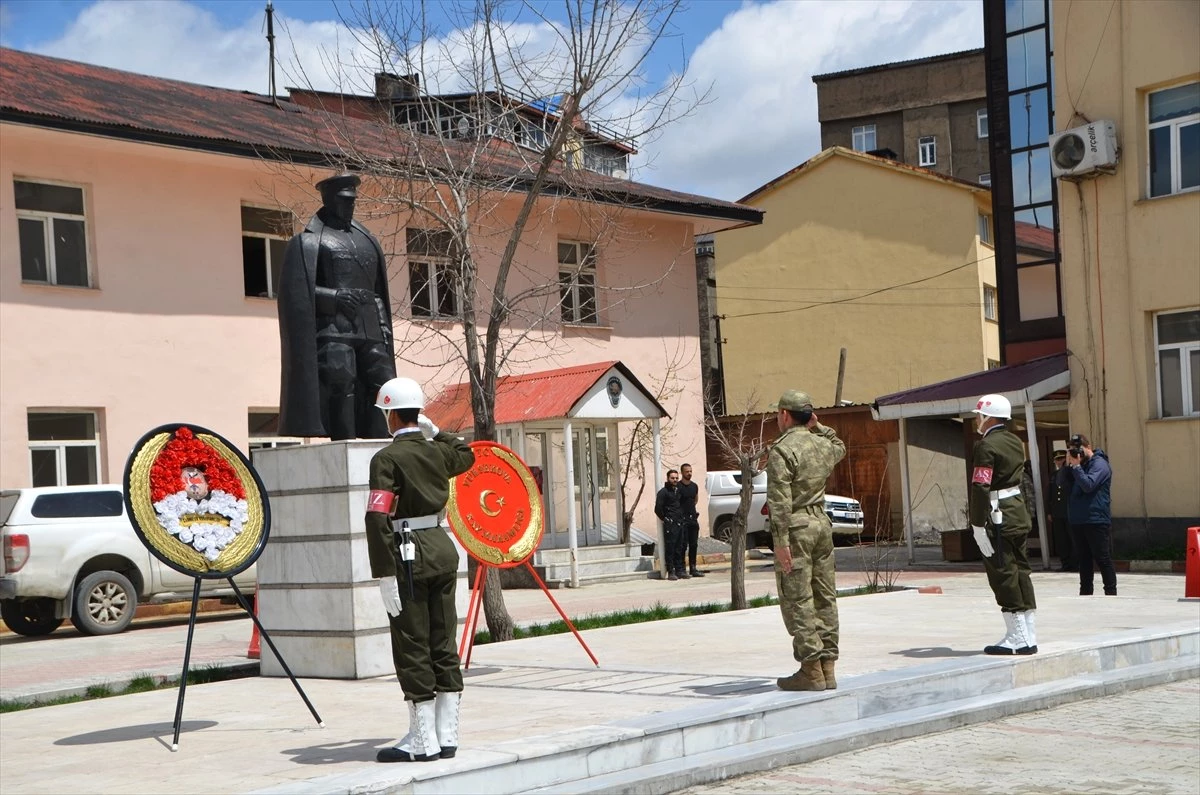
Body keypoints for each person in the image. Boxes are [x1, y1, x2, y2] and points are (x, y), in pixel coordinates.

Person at [367, 377, 475, 763]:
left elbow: (377, 517)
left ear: (391, 415)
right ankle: (447, 738)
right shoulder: (436, 452)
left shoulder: (386, 459)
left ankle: (422, 742)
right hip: (443, 550)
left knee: (413, 645)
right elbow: (467, 456)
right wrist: (440, 432)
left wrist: (383, 573)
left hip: (408, 556)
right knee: (444, 641)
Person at [277, 172, 397, 441]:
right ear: (329, 200)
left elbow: (376, 292)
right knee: (341, 380)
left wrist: (383, 325)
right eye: (344, 200)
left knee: (385, 382)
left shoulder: (367, 241)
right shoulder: (308, 241)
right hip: (334, 328)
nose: (350, 205)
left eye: (353, 201)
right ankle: (345, 442)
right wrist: (334, 297)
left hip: (370, 329)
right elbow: (296, 294)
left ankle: (380, 439)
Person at [766, 390, 846, 692]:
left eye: (778, 413)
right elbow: (839, 445)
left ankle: (811, 671)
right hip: (822, 526)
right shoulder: (821, 445)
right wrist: (819, 426)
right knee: (825, 596)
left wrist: (781, 542)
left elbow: (779, 502)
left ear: (785, 414)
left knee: (798, 598)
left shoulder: (782, 450)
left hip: (797, 528)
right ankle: (828, 668)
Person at [969, 394, 1037, 656]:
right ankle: (1029, 634)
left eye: (979, 415)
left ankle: (1017, 638)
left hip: (998, 518)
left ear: (988, 416)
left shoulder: (986, 446)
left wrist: (976, 524)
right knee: (1021, 571)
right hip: (1017, 513)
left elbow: (980, 487)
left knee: (1003, 573)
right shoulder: (1014, 441)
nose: (977, 419)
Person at [1058, 433, 1116, 596]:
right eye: (1073, 450)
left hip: (1096, 519)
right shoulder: (1077, 465)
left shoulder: (1100, 464)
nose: (1077, 453)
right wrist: (1067, 466)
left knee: (1102, 558)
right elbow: (1061, 482)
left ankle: (1111, 593)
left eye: (1079, 449)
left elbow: (1088, 485)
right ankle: (1085, 592)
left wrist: (1076, 467)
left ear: (1088, 447)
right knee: (1083, 559)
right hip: (1077, 519)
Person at [654, 469, 688, 580]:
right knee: (670, 547)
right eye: (672, 478)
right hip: (670, 524)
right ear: (668, 478)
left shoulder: (678, 491)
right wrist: (666, 519)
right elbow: (658, 509)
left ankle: (680, 570)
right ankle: (671, 570)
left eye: (676, 478)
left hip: (679, 522)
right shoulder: (663, 492)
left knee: (680, 547)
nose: (675, 480)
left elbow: (682, 504)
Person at [1049, 450, 1076, 571]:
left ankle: (1075, 563)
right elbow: (1050, 494)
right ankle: (1065, 563)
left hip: (1069, 510)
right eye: (1057, 460)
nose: (1060, 462)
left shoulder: (1070, 473)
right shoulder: (1054, 475)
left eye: (1062, 459)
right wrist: (1049, 511)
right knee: (1061, 539)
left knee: (1073, 538)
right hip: (1057, 512)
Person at [677, 463, 704, 577]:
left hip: (693, 519)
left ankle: (693, 568)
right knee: (683, 545)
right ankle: (682, 568)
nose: (689, 473)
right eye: (687, 471)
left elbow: (695, 500)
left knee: (694, 544)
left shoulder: (694, 486)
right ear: (682, 473)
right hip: (682, 519)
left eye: (690, 471)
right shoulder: (678, 486)